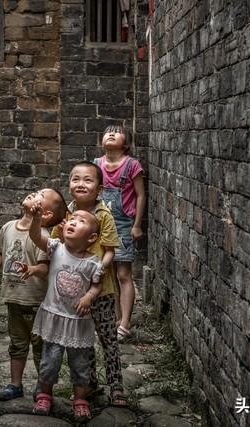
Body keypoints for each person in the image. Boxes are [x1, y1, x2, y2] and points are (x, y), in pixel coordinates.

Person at [0, 188, 67, 401]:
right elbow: (0, 253)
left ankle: (42, 388)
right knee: (17, 344)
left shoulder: (43, 237)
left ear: (46, 214)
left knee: (40, 346)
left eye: (41, 195)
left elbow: (44, 267)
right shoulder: (8, 227)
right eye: (37, 190)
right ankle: (15, 385)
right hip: (13, 298)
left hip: (36, 302)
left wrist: (32, 270)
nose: (34, 193)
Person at [52, 161, 127, 407]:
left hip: (101, 291)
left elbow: (110, 250)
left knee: (108, 339)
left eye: (88, 180)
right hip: (75, 290)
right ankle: (89, 384)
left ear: (100, 188)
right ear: (69, 184)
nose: (81, 184)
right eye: (75, 179)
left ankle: (116, 387)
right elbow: (56, 245)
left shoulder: (103, 215)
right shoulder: (66, 214)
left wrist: (99, 269)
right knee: (83, 341)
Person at [28, 204, 103, 423]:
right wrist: (36, 219)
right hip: (54, 316)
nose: (73, 222)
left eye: (81, 221)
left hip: (78, 322)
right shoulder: (56, 248)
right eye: (72, 218)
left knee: (80, 365)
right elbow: (35, 236)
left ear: (91, 237)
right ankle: (44, 395)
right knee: (49, 361)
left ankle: (80, 400)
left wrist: (89, 297)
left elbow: (97, 285)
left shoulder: (93, 262)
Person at [94, 125, 145, 342]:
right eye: (107, 132)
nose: (111, 134)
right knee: (108, 274)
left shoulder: (132, 165)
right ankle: (114, 318)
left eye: (117, 132)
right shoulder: (97, 164)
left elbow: (140, 195)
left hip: (123, 224)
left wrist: (137, 225)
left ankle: (125, 323)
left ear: (126, 144)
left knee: (123, 274)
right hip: (101, 223)